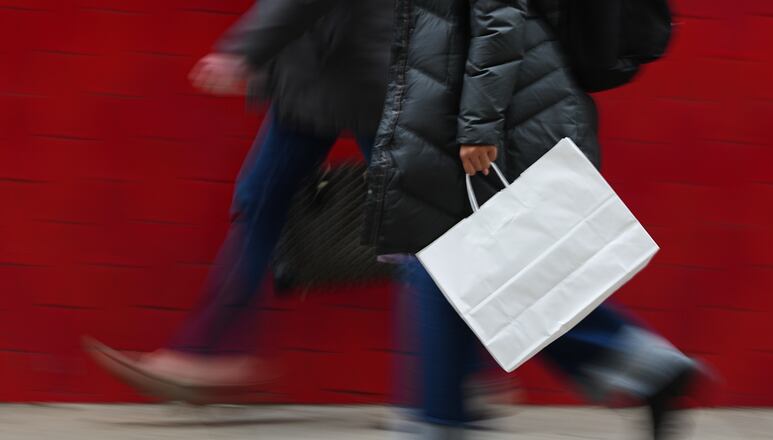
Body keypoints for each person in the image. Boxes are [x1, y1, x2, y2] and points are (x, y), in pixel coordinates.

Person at [362, 1, 701, 439]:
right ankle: (641, 363)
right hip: (463, 93)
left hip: (488, 106)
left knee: (441, 251)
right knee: (460, 258)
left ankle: (440, 419)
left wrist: (479, 124)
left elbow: (499, 13)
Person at [85, 0, 393, 403]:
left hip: (347, 67)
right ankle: (210, 350)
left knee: (408, 217)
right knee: (266, 200)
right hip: (341, 67)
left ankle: (210, 352)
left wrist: (244, 50)